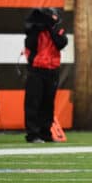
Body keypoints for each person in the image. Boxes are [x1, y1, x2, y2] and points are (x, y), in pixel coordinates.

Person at [24, 8, 68, 143]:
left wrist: (50, 28)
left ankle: (45, 133)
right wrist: (38, 28)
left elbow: (61, 43)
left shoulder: (58, 31)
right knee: (33, 103)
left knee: (48, 104)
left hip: (52, 71)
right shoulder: (34, 31)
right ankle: (32, 134)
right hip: (36, 70)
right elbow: (30, 44)